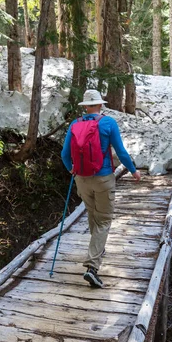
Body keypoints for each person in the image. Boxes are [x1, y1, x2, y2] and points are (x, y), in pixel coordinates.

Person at [61, 89, 141, 288]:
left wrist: (71, 169)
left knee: (93, 214)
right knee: (104, 220)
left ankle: (96, 248)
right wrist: (133, 170)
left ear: (85, 106)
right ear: (100, 104)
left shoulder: (75, 124)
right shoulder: (108, 123)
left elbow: (64, 154)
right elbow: (120, 152)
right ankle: (92, 267)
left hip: (81, 178)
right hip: (103, 178)